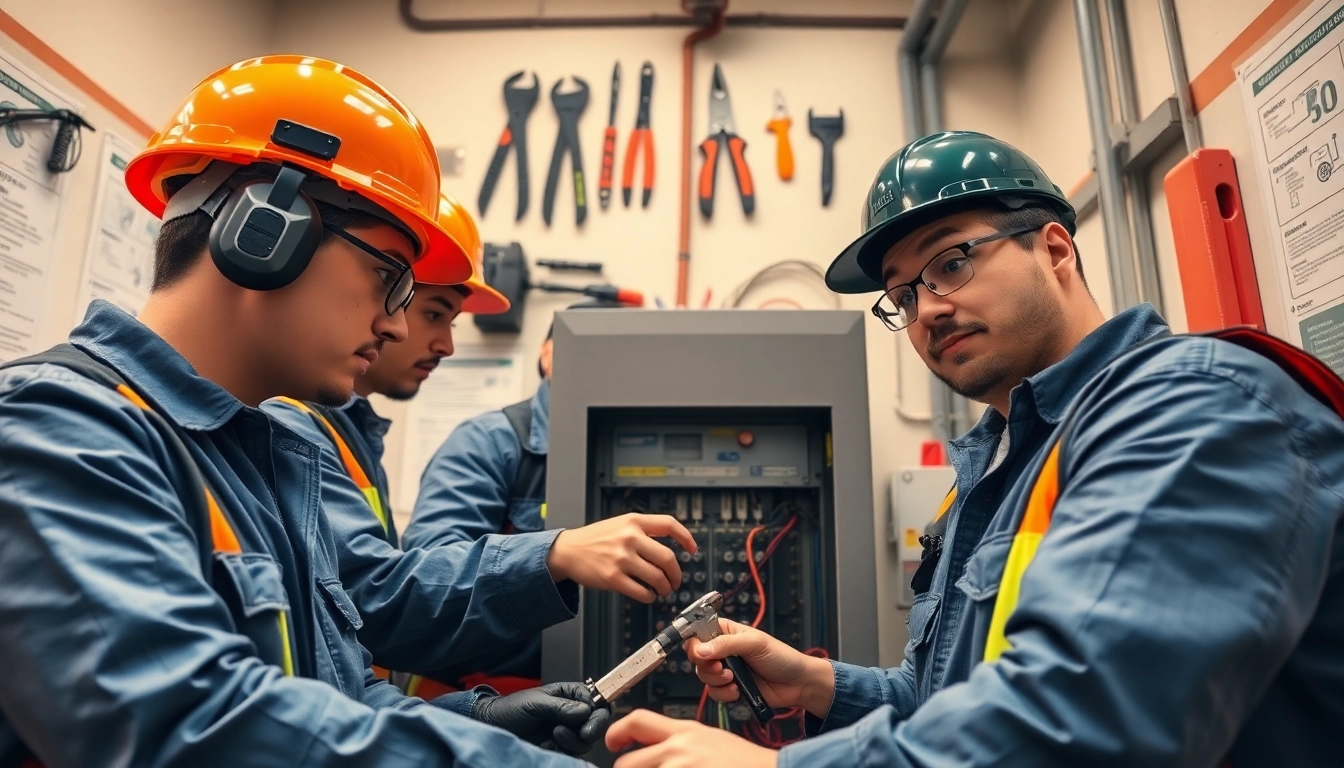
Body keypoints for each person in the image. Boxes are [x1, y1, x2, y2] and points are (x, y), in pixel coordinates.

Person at [603, 131, 1344, 767]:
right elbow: (947, 699)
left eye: (951, 262)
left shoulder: (1189, 410)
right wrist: (815, 683)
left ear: (1054, 249)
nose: (927, 310)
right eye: (902, 296)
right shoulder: (996, 464)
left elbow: (1086, 719)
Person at [0, 55, 604, 767]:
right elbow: (196, 724)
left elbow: (327, 693)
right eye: (388, 279)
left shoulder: (268, 454)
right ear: (266, 229)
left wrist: (478, 722)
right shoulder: (58, 434)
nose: (399, 328)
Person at [264, 198, 693, 707]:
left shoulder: (353, 436)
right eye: (428, 312)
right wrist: (556, 556)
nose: (441, 343)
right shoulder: (481, 443)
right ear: (550, 353)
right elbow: (385, 601)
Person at [401, 299, 626, 688]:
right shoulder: (489, 443)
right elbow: (431, 580)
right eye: (591, 353)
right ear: (547, 355)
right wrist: (555, 556)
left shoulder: (633, 454)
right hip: (479, 701)